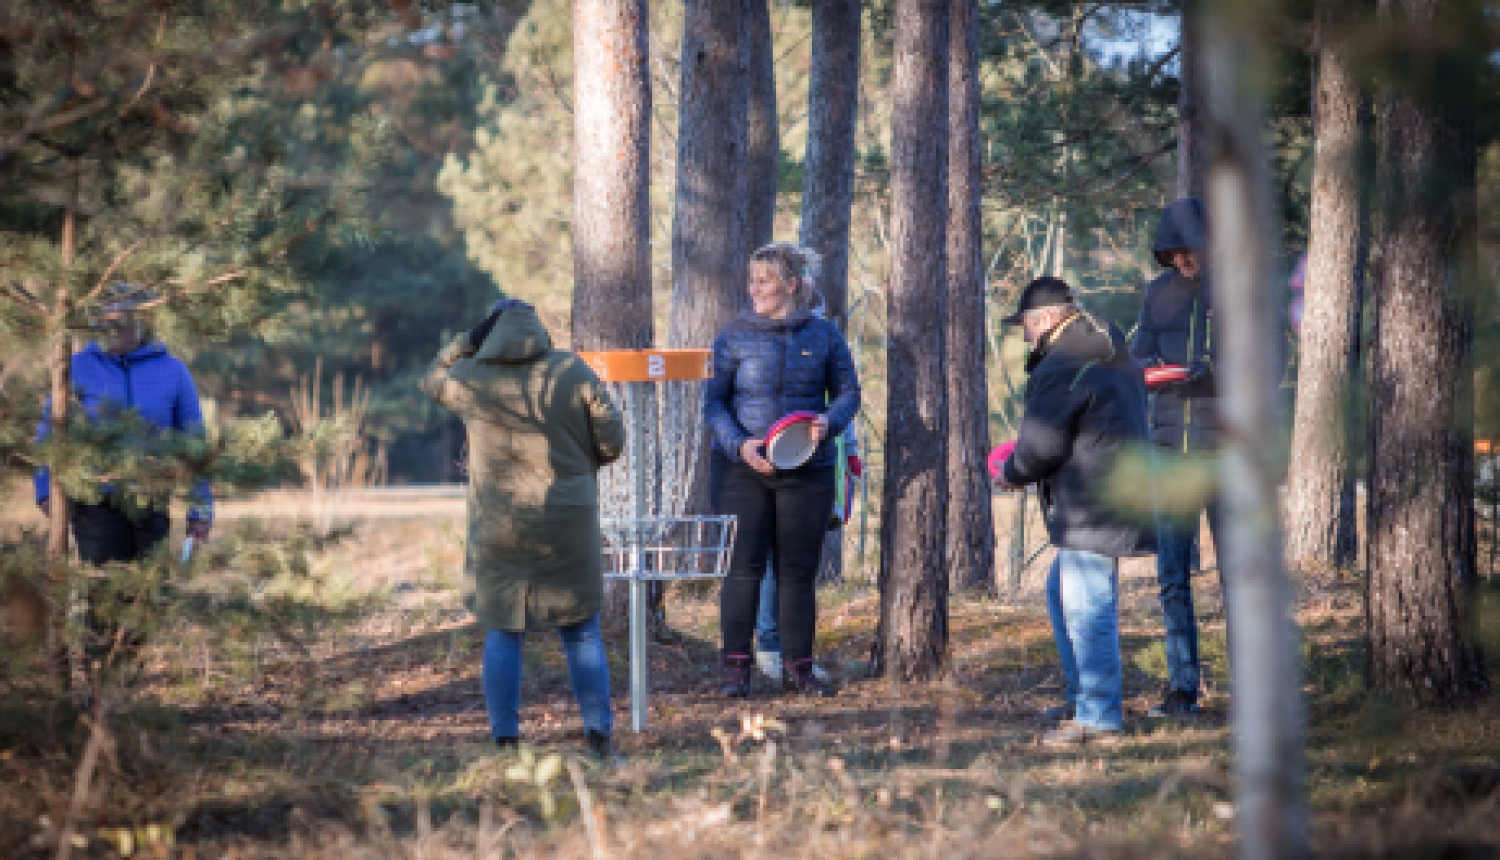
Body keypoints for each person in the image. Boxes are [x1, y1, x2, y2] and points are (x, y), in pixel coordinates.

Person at [420, 298, 626, 759]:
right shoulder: (572, 371)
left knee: (503, 631)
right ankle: (599, 736)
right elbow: (612, 441)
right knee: (582, 631)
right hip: (568, 517)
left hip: (500, 522)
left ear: (489, 333)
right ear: (540, 330)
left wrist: (465, 342)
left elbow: (431, 377)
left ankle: (506, 742)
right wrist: (582, 464)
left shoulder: (472, 378)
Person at [995, 276, 1152, 747]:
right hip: (1114, 492)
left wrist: (1012, 473)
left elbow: (1042, 444)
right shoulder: (1107, 350)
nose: (1025, 335)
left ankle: (1099, 717)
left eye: (1026, 325)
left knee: (1089, 610)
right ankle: (1080, 697)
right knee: (1060, 592)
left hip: (1091, 502)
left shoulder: (1064, 363)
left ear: (1045, 319)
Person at [705, 242, 861, 698]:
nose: (753, 289)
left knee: (797, 571)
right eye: (751, 281)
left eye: (764, 282)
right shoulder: (732, 335)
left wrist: (828, 423)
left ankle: (799, 668)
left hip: (807, 469)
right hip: (741, 468)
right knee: (742, 568)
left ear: (791, 285)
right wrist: (740, 445)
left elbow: (849, 394)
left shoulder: (824, 335)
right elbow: (713, 403)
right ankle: (737, 669)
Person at [34, 283, 213, 660]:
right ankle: (102, 680)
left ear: (141, 323)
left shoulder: (173, 371)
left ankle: (127, 679)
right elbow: (49, 432)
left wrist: (201, 508)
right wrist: (45, 489)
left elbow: (194, 444)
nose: (109, 332)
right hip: (95, 501)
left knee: (146, 597)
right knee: (104, 595)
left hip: (151, 500)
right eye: (103, 323)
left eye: (119, 323)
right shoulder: (76, 367)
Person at [1130, 197, 1221, 718]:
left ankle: (1255, 685)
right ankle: (1183, 689)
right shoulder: (1157, 293)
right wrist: (1147, 370)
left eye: (1191, 251)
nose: (1184, 261)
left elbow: (1268, 363)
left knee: (1239, 575)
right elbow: (1138, 354)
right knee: (1171, 578)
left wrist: (1214, 376)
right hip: (1168, 452)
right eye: (1175, 253)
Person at [752, 292, 861, 684]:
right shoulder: (760, 343)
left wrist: (850, 451)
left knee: (797, 564)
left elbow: (842, 402)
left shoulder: (824, 340)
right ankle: (768, 646)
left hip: (813, 462)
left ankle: (796, 656)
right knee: (770, 557)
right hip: (768, 462)